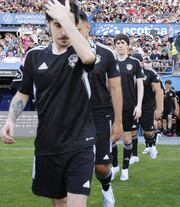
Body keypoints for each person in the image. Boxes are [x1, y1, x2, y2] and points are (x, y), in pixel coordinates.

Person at [1, 1, 96, 206]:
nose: (62, 31)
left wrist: (66, 19)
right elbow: (22, 95)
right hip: (48, 144)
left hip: (81, 142)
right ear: (48, 25)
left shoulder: (81, 50)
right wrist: (10, 120)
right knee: (59, 202)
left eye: (66, 24)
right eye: (57, 24)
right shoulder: (34, 56)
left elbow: (88, 58)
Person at [77, 11, 123, 207]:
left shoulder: (106, 53)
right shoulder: (63, 52)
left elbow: (115, 88)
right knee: (77, 167)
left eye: (78, 29)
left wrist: (119, 121)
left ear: (87, 27)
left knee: (102, 168)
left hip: (100, 114)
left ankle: (106, 187)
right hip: (73, 116)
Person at [112, 33, 144, 181]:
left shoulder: (135, 62)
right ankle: (114, 166)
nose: (120, 45)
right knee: (112, 137)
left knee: (126, 139)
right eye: (117, 43)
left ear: (127, 45)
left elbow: (140, 86)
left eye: (122, 42)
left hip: (129, 106)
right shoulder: (110, 62)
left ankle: (125, 169)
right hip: (112, 107)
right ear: (115, 45)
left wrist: (139, 105)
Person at [129, 55, 163, 164]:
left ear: (142, 62)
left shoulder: (150, 73)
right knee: (133, 131)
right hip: (132, 106)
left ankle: (151, 145)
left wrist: (159, 108)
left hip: (148, 106)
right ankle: (134, 155)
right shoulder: (128, 73)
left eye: (139, 61)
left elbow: (158, 91)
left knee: (148, 132)